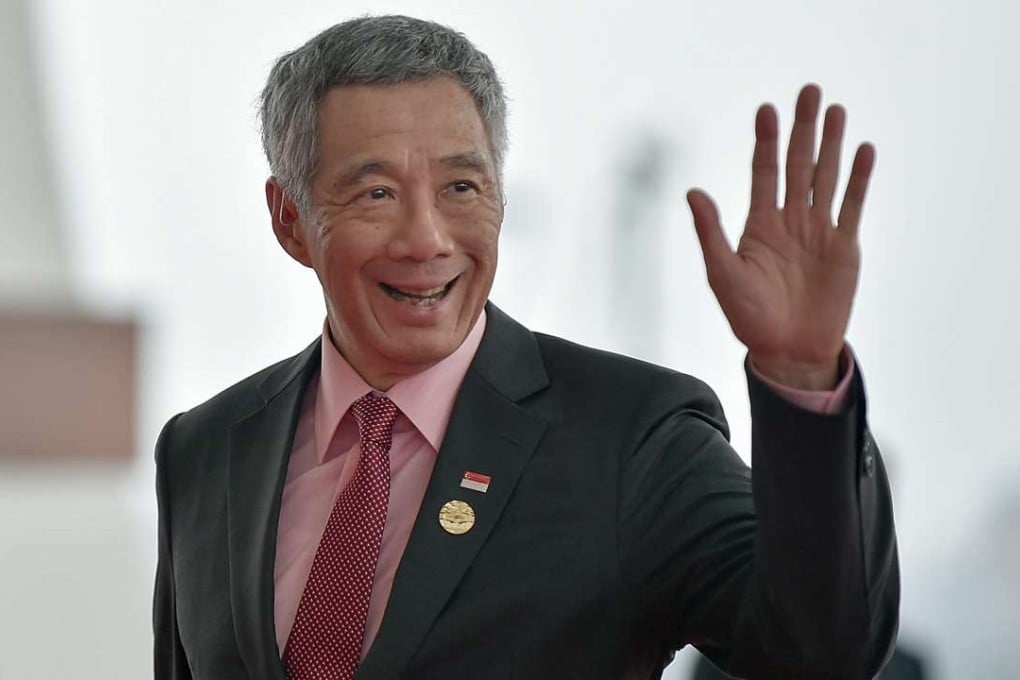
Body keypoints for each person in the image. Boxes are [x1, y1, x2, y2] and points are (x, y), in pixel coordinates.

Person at [153, 15, 899, 680]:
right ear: (290, 220)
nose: (427, 240)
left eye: (462, 189)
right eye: (376, 194)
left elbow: (817, 655)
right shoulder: (205, 450)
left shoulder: (631, 437)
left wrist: (801, 378)